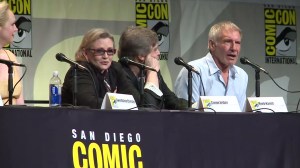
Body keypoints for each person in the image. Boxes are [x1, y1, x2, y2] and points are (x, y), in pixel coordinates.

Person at [174, 21, 248, 111]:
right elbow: (185, 114)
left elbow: (241, 115)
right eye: (227, 41)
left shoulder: (241, 75)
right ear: (212, 45)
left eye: (237, 43)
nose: (234, 48)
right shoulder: (192, 71)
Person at [62, 28, 140, 109]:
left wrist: (116, 101)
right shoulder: (79, 70)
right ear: (85, 53)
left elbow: (135, 99)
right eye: (99, 51)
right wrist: (116, 101)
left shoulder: (115, 68)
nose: (105, 56)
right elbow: (88, 102)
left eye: (110, 51)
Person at [118, 26, 187, 110]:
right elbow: (149, 111)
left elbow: (172, 100)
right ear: (141, 56)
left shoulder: (150, 70)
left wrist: (197, 106)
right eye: (155, 49)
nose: (159, 53)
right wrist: (152, 73)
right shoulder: (120, 74)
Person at [0, 1, 24, 105]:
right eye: (12, 24)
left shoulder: (11, 57)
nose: (16, 29)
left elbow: (20, 101)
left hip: (14, 118)